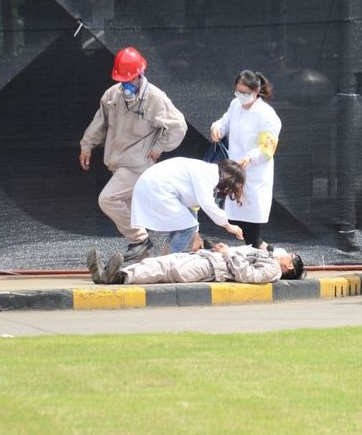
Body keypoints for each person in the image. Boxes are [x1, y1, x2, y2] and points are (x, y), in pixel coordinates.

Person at [79, 47, 188, 263]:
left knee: (108, 199)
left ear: (140, 74)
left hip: (138, 165)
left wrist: (158, 147)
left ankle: (140, 240)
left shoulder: (155, 98)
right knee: (130, 211)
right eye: (122, 80)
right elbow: (99, 122)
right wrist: (87, 146)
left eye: (129, 79)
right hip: (118, 163)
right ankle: (144, 263)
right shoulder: (112, 95)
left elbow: (178, 126)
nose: (125, 84)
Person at [209, 70, 282, 247]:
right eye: (238, 91)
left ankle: (261, 249)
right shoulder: (235, 105)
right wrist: (217, 128)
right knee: (237, 218)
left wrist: (251, 157)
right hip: (234, 170)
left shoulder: (266, 114)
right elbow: (224, 122)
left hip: (255, 171)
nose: (241, 96)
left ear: (256, 91)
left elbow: (268, 146)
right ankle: (261, 248)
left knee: (251, 222)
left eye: (245, 93)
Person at [128, 156, 247, 255]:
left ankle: (166, 257)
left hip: (152, 185)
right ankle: (169, 261)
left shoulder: (206, 171)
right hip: (157, 188)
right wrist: (228, 226)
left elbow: (191, 208)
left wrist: (196, 236)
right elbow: (207, 204)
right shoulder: (208, 175)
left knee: (183, 225)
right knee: (187, 226)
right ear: (229, 178)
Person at [89, 242, 305, 285]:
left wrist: (228, 254)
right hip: (207, 258)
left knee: (165, 269)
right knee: (157, 262)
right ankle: (109, 276)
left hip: (211, 268)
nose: (285, 253)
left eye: (290, 255)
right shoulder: (268, 257)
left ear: (289, 266)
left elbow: (248, 275)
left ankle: (117, 278)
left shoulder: (273, 270)